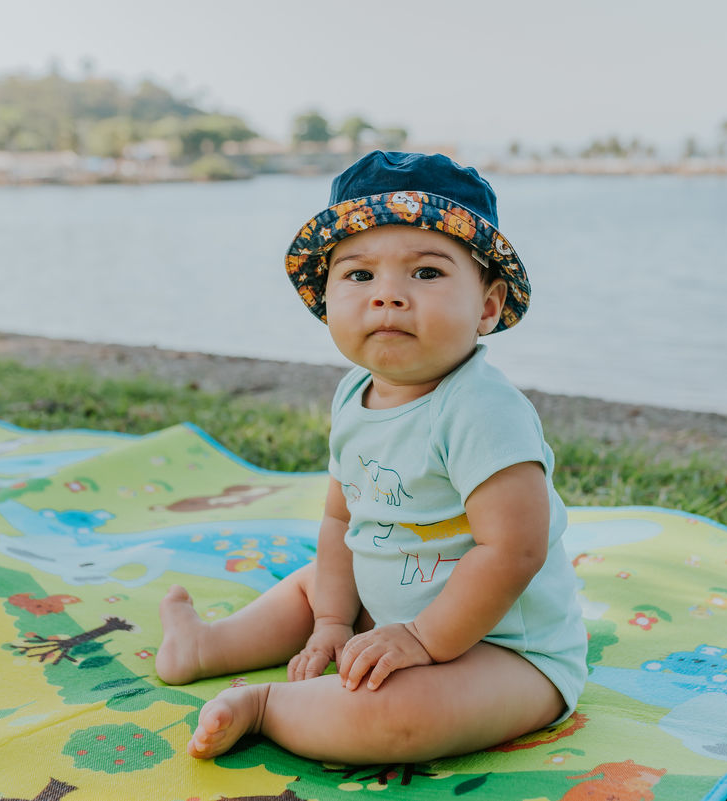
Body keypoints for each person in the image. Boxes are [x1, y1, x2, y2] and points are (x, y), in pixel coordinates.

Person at [156, 151, 587, 764]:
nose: (389, 297)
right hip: (387, 609)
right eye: (360, 276)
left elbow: (514, 549)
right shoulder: (353, 396)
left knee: (402, 717)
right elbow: (341, 521)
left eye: (427, 274)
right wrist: (333, 621)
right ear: (326, 299)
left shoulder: (484, 410)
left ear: (487, 306)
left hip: (505, 649)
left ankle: (268, 707)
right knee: (312, 588)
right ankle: (205, 645)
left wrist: (421, 637)